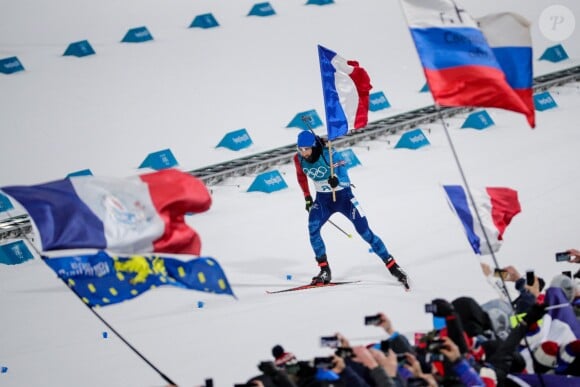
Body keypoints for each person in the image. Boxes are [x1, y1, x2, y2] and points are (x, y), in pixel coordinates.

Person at [293, 130, 409, 289]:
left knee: (365, 232)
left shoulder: (330, 154)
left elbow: (345, 178)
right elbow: (301, 177)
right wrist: (307, 197)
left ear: (314, 145)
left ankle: (392, 265)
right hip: (323, 201)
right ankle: (324, 270)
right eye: (301, 149)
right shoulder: (298, 158)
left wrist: (338, 181)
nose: (304, 152)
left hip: (344, 199)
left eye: (307, 148)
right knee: (313, 228)